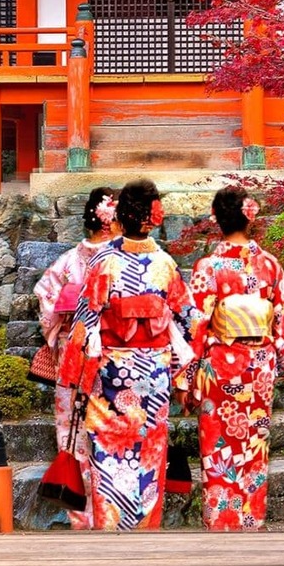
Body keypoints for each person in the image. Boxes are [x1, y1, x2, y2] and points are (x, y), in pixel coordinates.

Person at [175, 186, 284, 531]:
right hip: (260, 366)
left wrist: (184, 377)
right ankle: (251, 519)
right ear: (250, 218)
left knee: (218, 445)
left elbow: (195, 326)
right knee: (254, 443)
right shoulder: (269, 264)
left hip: (220, 367)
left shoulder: (208, 267)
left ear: (217, 221)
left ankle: (221, 521)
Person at [62, 178, 203, 531]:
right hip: (154, 374)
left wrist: (76, 379)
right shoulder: (166, 264)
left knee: (109, 453)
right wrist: (184, 377)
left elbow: (84, 322)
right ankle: (145, 530)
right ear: (153, 219)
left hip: (111, 374)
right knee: (149, 455)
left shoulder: (104, 263)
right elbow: (190, 321)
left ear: (121, 218)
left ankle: (110, 529)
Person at [34, 186, 117, 529]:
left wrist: (59, 334)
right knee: (114, 430)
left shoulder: (68, 261)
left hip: (73, 350)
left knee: (74, 431)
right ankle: (114, 515)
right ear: (112, 221)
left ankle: (81, 516)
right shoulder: (128, 261)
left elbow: (46, 302)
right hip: (116, 351)